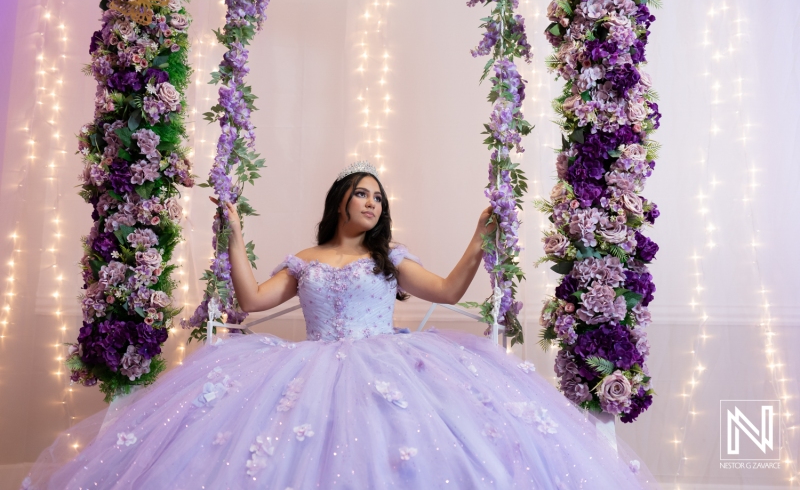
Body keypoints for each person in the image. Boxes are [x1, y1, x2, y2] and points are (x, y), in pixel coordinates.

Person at [24, 162, 659, 489]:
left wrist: (476, 239)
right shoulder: (304, 259)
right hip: (310, 366)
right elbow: (248, 303)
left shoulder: (391, 257)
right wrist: (237, 239)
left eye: (378, 197)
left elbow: (446, 291)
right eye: (362, 193)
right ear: (339, 203)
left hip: (386, 362)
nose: (372, 203)